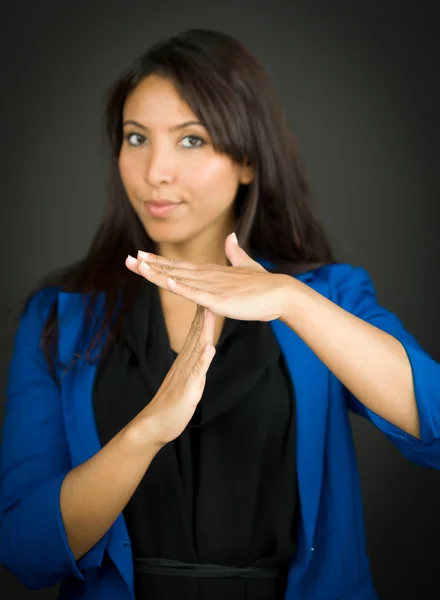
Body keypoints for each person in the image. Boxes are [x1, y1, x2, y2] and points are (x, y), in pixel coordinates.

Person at [0, 27, 439, 600]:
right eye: (136, 138)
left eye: (190, 140)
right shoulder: (61, 316)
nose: (156, 170)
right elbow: (24, 551)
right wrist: (145, 433)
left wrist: (292, 300)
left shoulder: (325, 295)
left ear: (248, 161)